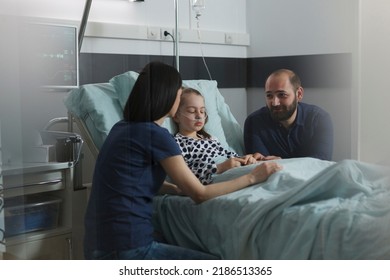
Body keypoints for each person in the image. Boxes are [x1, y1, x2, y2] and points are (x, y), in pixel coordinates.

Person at [83, 61, 283, 260]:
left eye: (202, 110)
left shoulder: (122, 127)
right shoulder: (158, 136)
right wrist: (253, 177)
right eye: (180, 95)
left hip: (96, 244)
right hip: (126, 248)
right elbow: (200, 194)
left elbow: (132, 181)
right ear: (167, 97)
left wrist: (176, 189)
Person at [173, 87, 259, 184]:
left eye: (202, 111)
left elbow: (228, 156)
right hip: (215, 176)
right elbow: (185, 175)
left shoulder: (211, 139)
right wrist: (220, 167)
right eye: (192, 111)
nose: (199, 116)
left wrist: (246, 159)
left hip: (233, 168)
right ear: (176, 116)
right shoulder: (177, 144)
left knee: (271, 170)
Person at [244, 69, 334, 160]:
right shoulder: (254, 122)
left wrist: (282, 163)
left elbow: (321, 164)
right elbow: (260, 166)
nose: (275, 103)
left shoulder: (319, 119)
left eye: (282, 95)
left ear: (299, 94)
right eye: (269, 96)